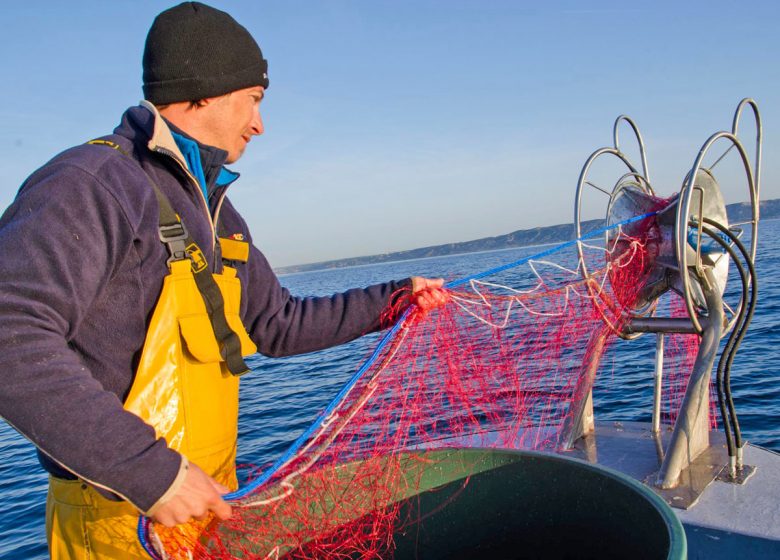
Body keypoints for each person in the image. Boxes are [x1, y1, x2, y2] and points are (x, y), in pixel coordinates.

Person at [0, 2, 447, 558]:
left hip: (209, 501)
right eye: (254, 100)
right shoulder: (93, 184)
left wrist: (393, 297)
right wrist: (151, 474)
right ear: (204, 91)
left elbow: (278, 324)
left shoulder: (218, 214)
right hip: (121, 519)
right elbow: (10, 336)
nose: (260, 124)